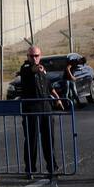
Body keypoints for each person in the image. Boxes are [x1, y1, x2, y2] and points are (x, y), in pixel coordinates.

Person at [16, 45, 66, 178]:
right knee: (31, 140)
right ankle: (30, 169)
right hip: (31, 109)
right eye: (31, 56)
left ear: (40, 56)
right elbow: (32, 69)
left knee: (49, 139)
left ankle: (52, 168)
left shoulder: (43, 69)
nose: (34, 58)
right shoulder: (25, 68)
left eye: (36, 56)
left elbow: (49, 86)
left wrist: (57, 99)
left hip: (46, 108)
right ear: (28, 57)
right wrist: (37, 68)